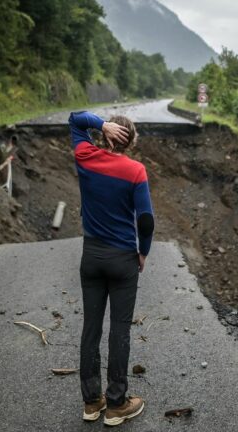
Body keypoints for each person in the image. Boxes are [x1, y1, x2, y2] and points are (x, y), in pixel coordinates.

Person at [68, 111, 154, 426]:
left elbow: (75, 119)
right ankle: (117, 404)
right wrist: (143, 252)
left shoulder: (85, 156)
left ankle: (92, 403)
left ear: (106, 136)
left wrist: (100, 123)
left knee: (91, 328)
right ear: (130, 142)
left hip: (90, 256)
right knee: (120, 330)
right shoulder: (135, 171)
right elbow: (145, 219)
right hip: (122, 260)